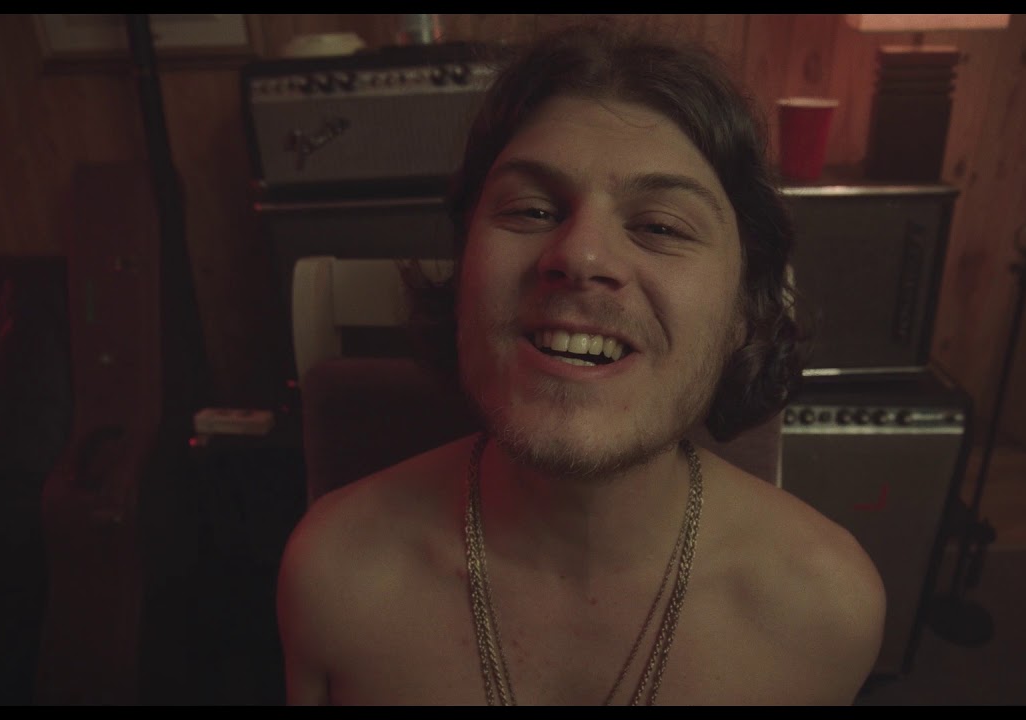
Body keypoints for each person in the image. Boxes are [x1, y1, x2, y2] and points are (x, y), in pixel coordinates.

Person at [276, 20, 886, 706]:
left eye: (660, 226)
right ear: (465, 266)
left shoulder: (825, 611)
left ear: (744, 310)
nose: (580, 255)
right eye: (532, 210)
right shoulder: (333, 577)